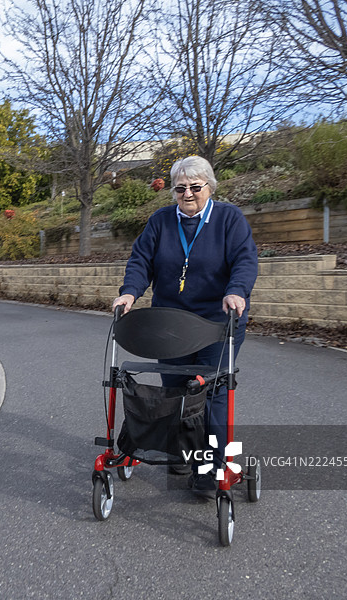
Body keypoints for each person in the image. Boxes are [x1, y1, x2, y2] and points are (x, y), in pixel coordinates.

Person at [111, 155, 258, 499]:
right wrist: (130, 292)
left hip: (216, 322)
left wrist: (236, 291)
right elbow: (141, 261)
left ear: (210, 186)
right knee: (175, 391)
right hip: (171, 324)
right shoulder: (161, 221)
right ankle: (182, 452)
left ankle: (211, 467)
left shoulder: (229, 218)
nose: (187, 194)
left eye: (195, 187)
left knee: (212, 393)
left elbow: (245, 260)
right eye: (180, 188)